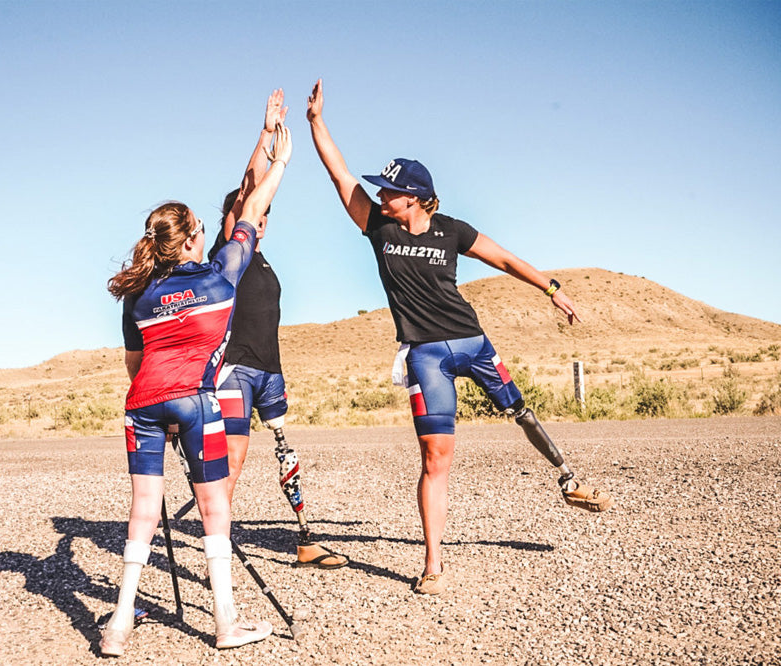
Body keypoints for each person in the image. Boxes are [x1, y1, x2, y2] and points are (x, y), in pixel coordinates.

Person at [305, 78, 613, 596]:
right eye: (379, 189)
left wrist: (553, 289)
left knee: (521, 410)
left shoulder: (453, 230)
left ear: (418, 199)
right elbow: (339, 175)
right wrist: (316, 123)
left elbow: (507, 259)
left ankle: (567, 477)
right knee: (435, 459)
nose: (379, 194)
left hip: (473, 342)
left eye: (389, 190)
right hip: (426, 357)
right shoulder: (379, 230)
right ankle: (433, 566)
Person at [101, 117, 293, 656]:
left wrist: (262, 144)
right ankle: (225, 623)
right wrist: (280, 160)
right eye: (202, 230)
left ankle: (118, 624)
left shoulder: (137, 295)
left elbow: (134, 365)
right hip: (197, 402)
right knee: (215, 511)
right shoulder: (220, 276)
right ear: (190, 240)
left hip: (142, 404)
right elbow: (251, 213)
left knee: (143, 509)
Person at [210, 89, 348, 570]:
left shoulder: (261, 262)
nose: (259, 222)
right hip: (234, 371)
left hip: (270, 370)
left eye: (265, 218)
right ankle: (217, 550)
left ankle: (307, 537)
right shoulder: (225, 258)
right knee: (231, 463)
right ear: (233, 219)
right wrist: (266, 133)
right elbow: (249, 189)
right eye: (253, 215)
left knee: (285, 452)